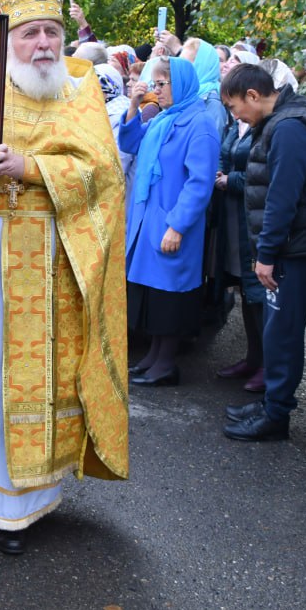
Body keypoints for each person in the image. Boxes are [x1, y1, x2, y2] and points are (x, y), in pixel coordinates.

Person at [0, 0, 130, 554]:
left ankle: (42, 486)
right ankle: (3, 500)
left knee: (53, 376)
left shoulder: (82, 92)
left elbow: (105, 176)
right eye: (30, 34)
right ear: (7, 39)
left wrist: (33, 168)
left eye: (51, 30)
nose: (44, 43)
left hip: (64, 254)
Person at [221, 63, 306, 441]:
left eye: (236, 106)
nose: (235, 115)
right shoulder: (281, 120)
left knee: (283, 333)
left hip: (294, 249)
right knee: (277, 331)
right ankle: (272, 402)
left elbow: (282, 197)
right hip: (292, 245)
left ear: (253, 96)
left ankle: (277, 415)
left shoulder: (288, 128)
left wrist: (266, 253)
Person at [117, 55, 219, 385]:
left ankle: (165, 364)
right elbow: (129, 142)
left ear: (183, 84)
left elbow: (200, 183)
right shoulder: (163, 120)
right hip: (150, 219)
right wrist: (134, 105)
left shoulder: (199, 124)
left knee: (170, 295)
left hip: (173, 224)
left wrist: (177, 226)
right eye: (156, 84)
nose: (156, 90)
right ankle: (153, 356)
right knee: (153, 292)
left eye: (162, 84)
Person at [213, 109, 267, 393]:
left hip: (252, 222)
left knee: (259, 296)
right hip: (235, 217)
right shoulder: (238, 125)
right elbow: (226, 154)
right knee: (246, 292)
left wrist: (230, 180)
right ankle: (253, 357)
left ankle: (266, 366)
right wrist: (221, 171)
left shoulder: (267, 128)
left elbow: (262, 177)